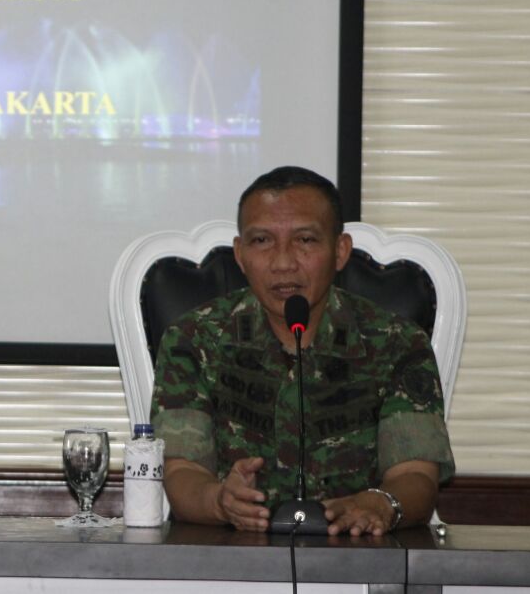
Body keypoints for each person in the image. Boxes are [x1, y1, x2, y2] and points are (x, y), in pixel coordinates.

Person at [151, 166, 454, 535]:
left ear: (340, 251)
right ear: (240, 255)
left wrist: (380, 503)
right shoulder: (194, 339)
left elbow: (416, 475)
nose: (283, 263)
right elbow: (182, 471)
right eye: (262, 241)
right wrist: (219, 501)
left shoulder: (396, 343)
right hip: (235, 551)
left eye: (305, 240)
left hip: (357, 553)